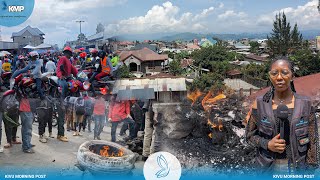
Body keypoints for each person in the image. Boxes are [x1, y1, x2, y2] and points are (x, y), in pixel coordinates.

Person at [245, 57, 319, 173]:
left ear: (292, 76)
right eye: (274, 73)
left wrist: (310, 169)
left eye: (284, 72)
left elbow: (313, 141)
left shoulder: (306, 104)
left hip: (297, 168)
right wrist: (267, 144)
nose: (279, 77)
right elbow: (249, 136)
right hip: (267, 169)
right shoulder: (259, 104)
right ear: (270, 76)